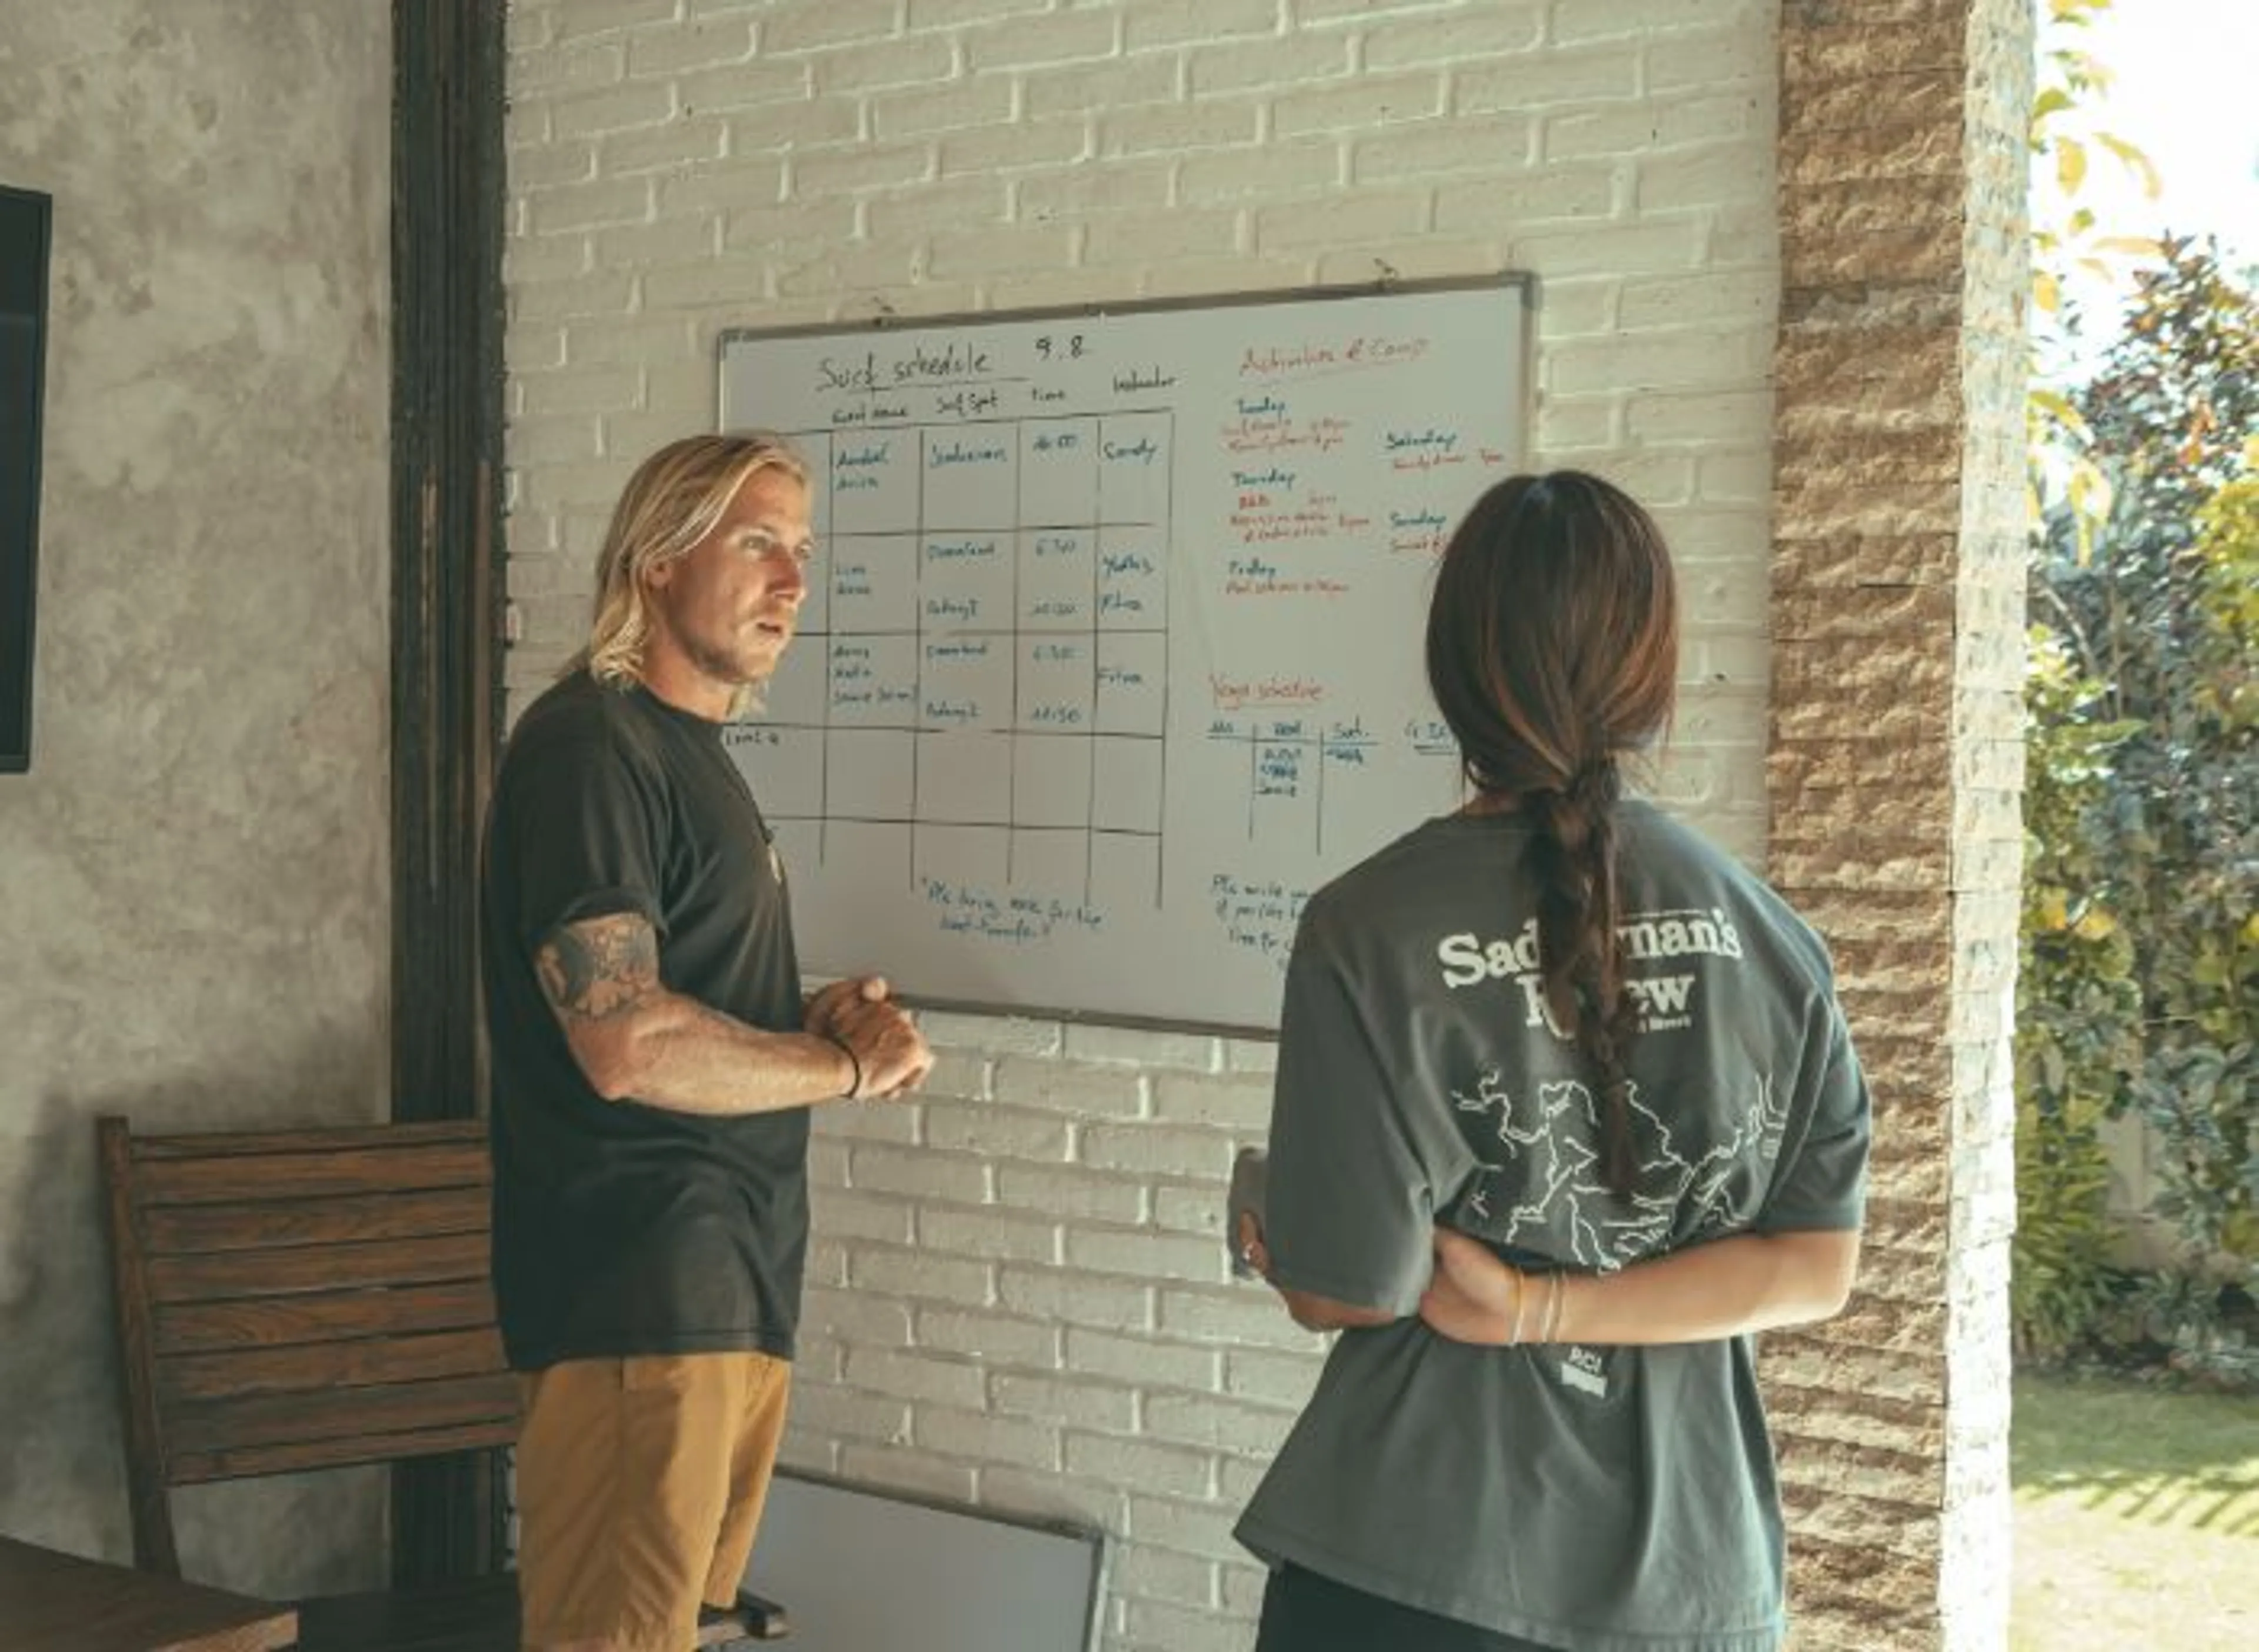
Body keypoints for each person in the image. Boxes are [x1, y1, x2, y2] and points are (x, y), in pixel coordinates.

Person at [1231, 470, 1871, 1652]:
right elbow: (1815, 1267)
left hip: (1415, 1553)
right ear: (1652, 673)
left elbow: (1350, 1288)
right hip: (1691, 1577)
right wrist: (1547, 1306)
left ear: (1454, 671)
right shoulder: (1775, 937)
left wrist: (1282, 1231)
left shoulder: (1366, 925)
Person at [480, 433, 934, 1652]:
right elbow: (625, 1044)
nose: (793, 582)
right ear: (659, 557)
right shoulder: (591, 748)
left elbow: (683, 1006)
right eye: (756, 542)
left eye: (801, 552)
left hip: (730, 1287)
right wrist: (839, 1068)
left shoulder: (695, 760)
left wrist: (809, 1021)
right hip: (636, 1293)